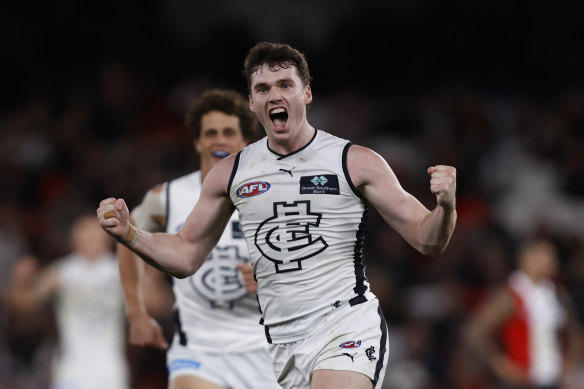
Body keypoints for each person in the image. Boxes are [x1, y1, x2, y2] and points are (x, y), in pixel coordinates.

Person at [97, 42, 457, 389]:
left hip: (346, 324)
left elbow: (427, 239)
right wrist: (130, 233)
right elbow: (185, 254)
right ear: (252, 102)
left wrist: (445, 206)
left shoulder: (355, 161)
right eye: (263, 88)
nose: (275, 95)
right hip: (281, 342)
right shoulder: (231, 174)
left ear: (307, 94)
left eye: (286, 85)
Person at [117, 88, 279, 389]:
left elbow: (312, 260)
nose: (219, 139)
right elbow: (127, 237)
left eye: (228, 132)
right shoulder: (167, 196)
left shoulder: (274, 194)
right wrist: (136, 311)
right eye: (210, 132)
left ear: (245, 140)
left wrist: (274, 279)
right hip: (198, 349)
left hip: (266, 348)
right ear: (197, 141)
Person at [5, 214, 129, 389]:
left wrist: (148, 274)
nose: (91, 239)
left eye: (95, 233)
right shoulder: (61, 272)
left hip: (109, 367)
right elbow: (25, 304)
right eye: (85, 234)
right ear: (74, 239)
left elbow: (157, 304)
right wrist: (20, 281)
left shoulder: (120, 272)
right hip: (72, 366)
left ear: (107, 237)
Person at [463, 238, 584, 389]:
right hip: (522, 382)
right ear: (527, 259)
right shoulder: (510, 296)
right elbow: (474, 331)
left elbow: (576, 335)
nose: (552, 260)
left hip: (554, 380)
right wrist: (498, 362)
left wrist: (572, 360)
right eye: (545, 255)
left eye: (553, 255)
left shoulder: (557, 294)